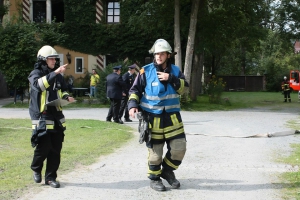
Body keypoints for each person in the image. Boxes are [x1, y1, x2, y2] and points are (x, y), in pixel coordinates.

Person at [128, 39, 189, 191]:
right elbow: (134, 90)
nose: (159, 56)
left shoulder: (176, 71)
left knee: (179, 149)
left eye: (162, 53)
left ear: (168, 55)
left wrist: (172, 79)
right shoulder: (145, 71)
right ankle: (155, 179)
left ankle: (167, 172)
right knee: (155, 155)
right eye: (157, 54)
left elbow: (184, 88)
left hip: (172, 118)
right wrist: (132, 105)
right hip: (152, 119)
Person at [28, 45, 75, 188]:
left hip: (56, 115)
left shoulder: (58, 75)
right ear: (43, 60)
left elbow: (63, 91)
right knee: (44, 146)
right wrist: (54, 73)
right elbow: (39, 86)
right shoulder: (35, 73)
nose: (54, 61)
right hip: (42, 115)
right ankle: (36, 168)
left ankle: (50, 178)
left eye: (55, 59)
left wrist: (67, 97)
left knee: (55, 148)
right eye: (51, 59)